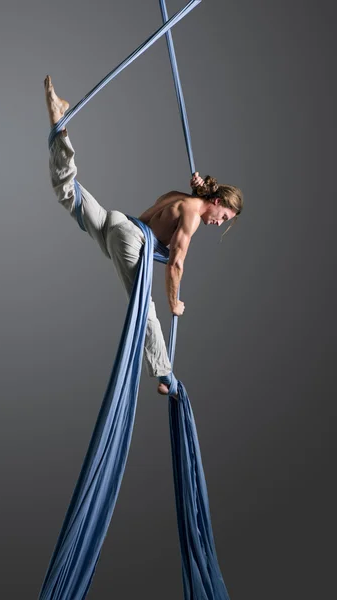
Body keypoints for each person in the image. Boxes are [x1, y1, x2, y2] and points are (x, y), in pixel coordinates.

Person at [44, 75, 243, 398]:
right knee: (144, 309)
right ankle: (163, 373)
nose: (219, 223)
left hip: (118, 224)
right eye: (223, 217)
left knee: (68, 193)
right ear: (217, 202)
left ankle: (60, 130)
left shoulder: (183, 198)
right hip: (129, 238)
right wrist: (174, 303)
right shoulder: (192, 214)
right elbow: (175, 264)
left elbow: (167, 215)